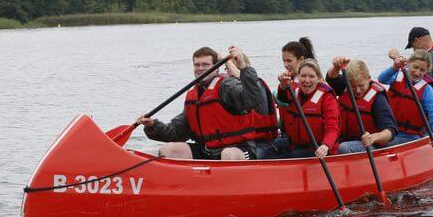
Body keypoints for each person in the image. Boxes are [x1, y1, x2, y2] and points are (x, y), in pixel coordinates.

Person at [136, 46, 265, 160]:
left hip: (239, 149)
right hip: (208, 151)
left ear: (216, 68)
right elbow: (176, 132)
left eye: (205, 65)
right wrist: (152, 125)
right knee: (169, 150)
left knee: (228, 154)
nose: (200, 69)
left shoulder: (227, 85)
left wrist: (243, 66)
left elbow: (253, 100)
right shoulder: (194, 95)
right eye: (197, 65)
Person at [325, 57, 397, 154]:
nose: (357, 90)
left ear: (368, 78)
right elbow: (331, 78)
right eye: (353, 86)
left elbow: (390, 131)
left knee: (343, 148)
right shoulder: (345, 86)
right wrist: (336, 67)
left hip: (369, 145)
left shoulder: (378, 99)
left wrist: (373, 138)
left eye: (361, 86)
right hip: (344, 140)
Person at [276, 59, 340, 159]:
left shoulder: (327, 98)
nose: (307, 80)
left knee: (291, 156)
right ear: (298, 77)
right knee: (272, 146)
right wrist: (282, 85)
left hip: (317, 149)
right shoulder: (294, 90)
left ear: (318, 79)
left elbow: (332, 127)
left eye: (311, 76)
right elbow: (282, 96)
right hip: (295, 145)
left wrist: (325, 145)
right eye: (303, 76)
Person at [379, 50, 433, 148]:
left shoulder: (428, 91)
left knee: (378, 145)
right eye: (415, 67)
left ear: (427, 72)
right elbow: (382, 79)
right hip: (387, 129)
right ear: (409, 63)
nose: (417, 73)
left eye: (422, 70)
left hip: (408, 137)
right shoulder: (397, 75)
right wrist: (394, 67)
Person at [225, 54, 279, 159]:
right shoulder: (232, 90)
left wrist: (240, 67)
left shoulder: (257, 87)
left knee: (244, 157)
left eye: (231, 69)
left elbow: (251, 88)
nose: (228, 73)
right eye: (227, 69)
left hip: (262, 143)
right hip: (241, 143)